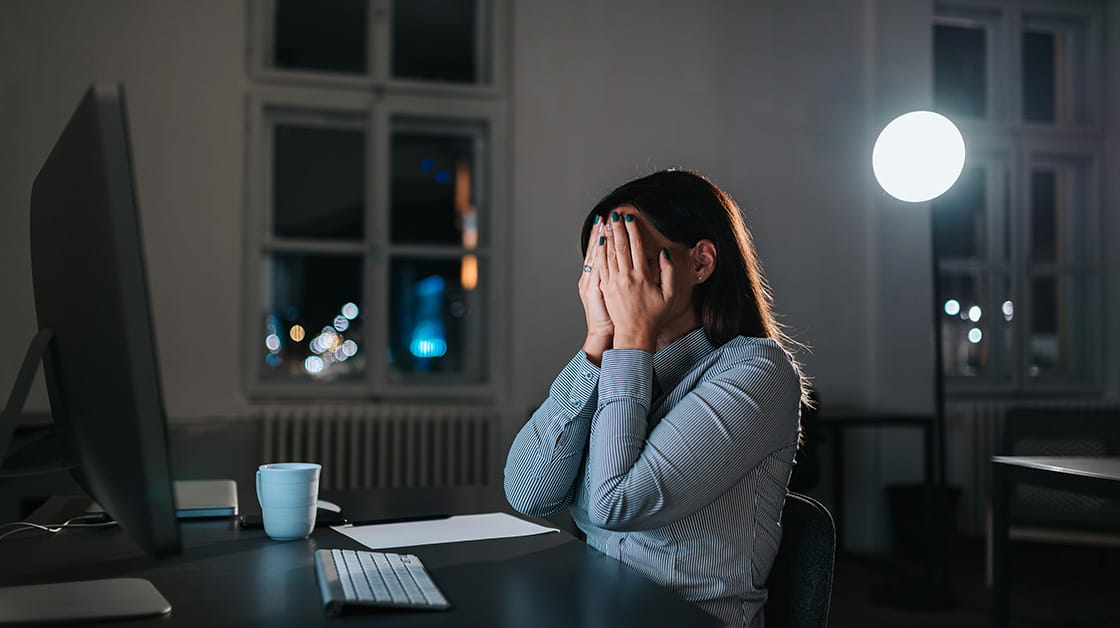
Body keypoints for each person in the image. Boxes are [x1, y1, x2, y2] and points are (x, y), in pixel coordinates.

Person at [504, 169, 809, 627]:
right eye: (598, 259)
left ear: (701, 263)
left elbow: (615, 506)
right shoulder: (618, 365)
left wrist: (629, 340)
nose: (611, 280)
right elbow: (530, 493)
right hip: (599, 608)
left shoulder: (757, 372)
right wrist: (597, 344)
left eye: (625, 256)